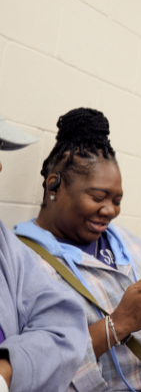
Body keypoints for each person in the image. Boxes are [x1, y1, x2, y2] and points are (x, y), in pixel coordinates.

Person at [14, 107, 141, 391]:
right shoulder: (20, 262)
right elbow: (26, 370)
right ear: (53, 185)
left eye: (117, 200)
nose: (109, 211)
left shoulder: (132, 246)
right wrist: (119, 323)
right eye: (97, 197)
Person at [0, 113, 90, 392]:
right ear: (53, 187)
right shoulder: (34, 246)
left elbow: (64, 325)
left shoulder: (5, 244)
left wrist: (7, 369)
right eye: (97, 197)